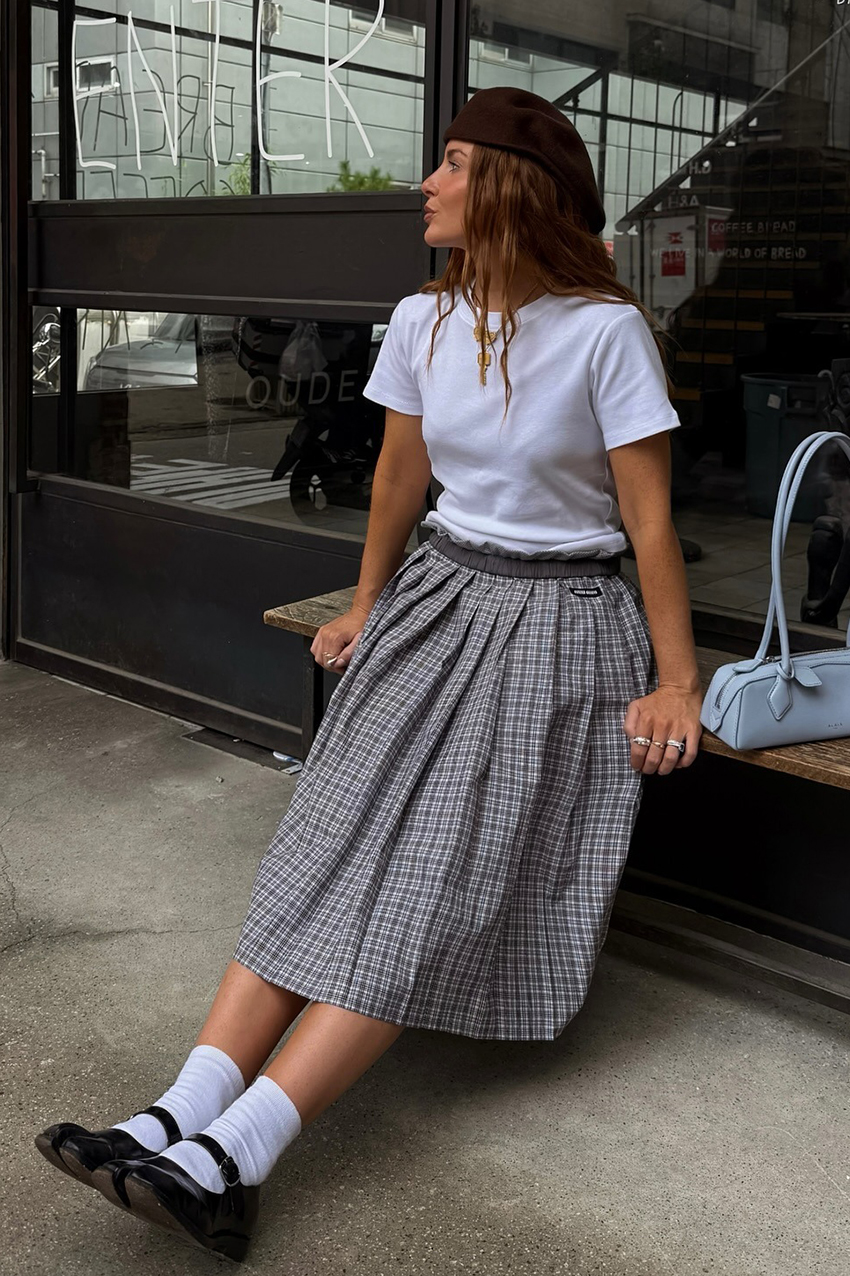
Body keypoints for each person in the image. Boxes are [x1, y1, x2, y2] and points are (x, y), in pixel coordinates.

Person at [35, 86, 704, 1263]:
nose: (427, 184)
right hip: (440, 594)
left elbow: (650, 524)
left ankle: (231, 1157)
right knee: (323, 845)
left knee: (423, 891)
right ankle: (174, 1115)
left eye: (449, 162)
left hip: (559, 622)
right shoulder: (421, 319)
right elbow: (399, 480)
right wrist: (366, 602)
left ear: (506, 184)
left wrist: (675, 678)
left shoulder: (604, 331)